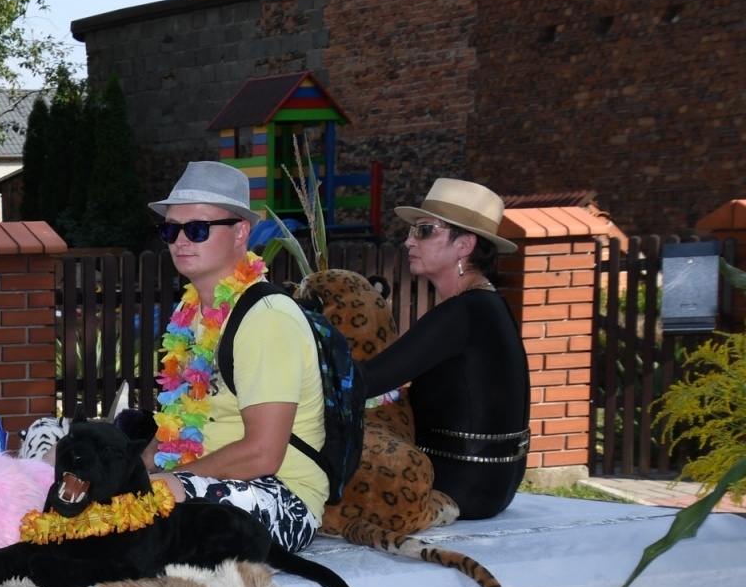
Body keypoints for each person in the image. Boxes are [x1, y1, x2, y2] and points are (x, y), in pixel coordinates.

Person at [145, 160, 327, 552]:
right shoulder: (192, 312)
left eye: (196, 229)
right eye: (170, 229)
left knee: (145, 505)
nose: (180, 240)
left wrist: (161, 481)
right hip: (202, 480)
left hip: (281, 500)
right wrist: (128, 471)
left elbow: (263, 454)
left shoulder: (266, 318)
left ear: (241, 232)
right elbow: (172, 427)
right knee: (69, 457)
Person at [361, 178, 530, 519]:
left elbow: (365, 381)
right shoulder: (485, 304)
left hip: (462, 485)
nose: (408, 240)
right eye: (412, 230)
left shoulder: (463, 311)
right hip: (490, 483)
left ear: (465, 244)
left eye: (424, 231)